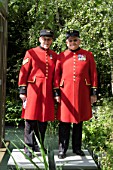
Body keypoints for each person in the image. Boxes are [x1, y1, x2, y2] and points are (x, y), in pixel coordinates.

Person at [54, 30, 98, 159]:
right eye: (70, 41)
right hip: (65, 93)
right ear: (66, 42)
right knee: (64, 122)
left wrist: (93, 92)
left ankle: (77, 148)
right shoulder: (61, 56)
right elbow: (56, 76)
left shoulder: (88, 55)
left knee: (79, 122)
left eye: (75, 40)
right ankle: (62, 149)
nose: (73, 43)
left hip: (82, 93)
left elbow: (93, 74)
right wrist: (56, 92)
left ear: (79, 41)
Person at [18, 29, 57, 158]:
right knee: (30, 119)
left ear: (52, 40)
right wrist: (22, 90)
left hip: (47, 92)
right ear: (40, 39)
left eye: (49, 39)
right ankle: (28, 147)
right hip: (33, 90)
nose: (46, 41)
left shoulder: (54, 55)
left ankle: (38, 146)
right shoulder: (31, 53)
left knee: (43, 120)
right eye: (44, 39)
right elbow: (23, 72)